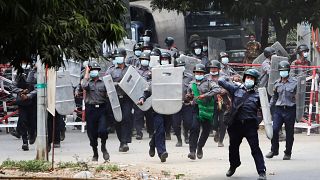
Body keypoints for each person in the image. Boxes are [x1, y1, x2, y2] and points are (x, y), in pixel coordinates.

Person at [218, 68, 267, 180]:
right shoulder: (235, 89)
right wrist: (231, 79)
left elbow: (265, 110)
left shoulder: (258, 95)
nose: (249, 80)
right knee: (233, 147)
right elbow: (221, 81)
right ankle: (233, 165)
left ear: (255, 81)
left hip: (250, 125)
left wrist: (259, 122)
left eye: (252, 78)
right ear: (244, 78)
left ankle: (261, 171)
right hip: (235, 124)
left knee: (255, 148)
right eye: (248, 77)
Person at [186, 64, 221, 160]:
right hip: (196, 108)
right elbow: (188, 95)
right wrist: (188, 97)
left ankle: (200, 146)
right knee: (194, 128)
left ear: (204, 74)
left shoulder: (209, 82)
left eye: (201, 73)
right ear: (194, 73)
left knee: (206, 130)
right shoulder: (191, 84)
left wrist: (205, 95)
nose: (199, 74)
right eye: (197, 72)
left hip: (207, 109)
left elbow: (217, 89)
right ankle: (192, 151)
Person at [265, 61, 297, 161]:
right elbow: (274, 98)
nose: (283, 72)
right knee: (274, 130)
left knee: (289, 132)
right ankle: (274, 150)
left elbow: (299, 97)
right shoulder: (276, 83)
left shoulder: (294, 83)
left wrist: (298, 113)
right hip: (278, 110)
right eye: (281, 71)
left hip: (290, 110)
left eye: (285, 71)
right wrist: (268, 108)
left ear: (288, 71)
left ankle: (287, 152)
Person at [81, 61, 110, 161]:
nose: (94, 72)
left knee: (103, 130)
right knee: (92, 134)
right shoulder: (88, 82)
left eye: (95, 70)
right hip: (91, 110)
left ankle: (103, 146)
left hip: (102, 109)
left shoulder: (104, 82)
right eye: (92, 70)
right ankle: (95, 153)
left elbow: (110, 93)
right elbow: (83, 85)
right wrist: (87, 72)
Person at [107, 48, 134, 152]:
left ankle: (125, 141)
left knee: (127, 117)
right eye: (116, 57)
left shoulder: (131, 69)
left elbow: (135, 81)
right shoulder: (111, 70)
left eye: (120, 56)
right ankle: (121, 141)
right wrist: (115, 84)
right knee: (118, 119)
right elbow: (107, 83)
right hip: (115, 98)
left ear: (124, 57)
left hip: (127, 98)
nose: (118, 58)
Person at [137, 76, 169, 163]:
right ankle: (162, 152)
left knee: (163, 130)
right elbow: (146, 92)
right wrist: (142, 99)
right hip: (157, 109)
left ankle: (152, 143)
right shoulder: (153, 83)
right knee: (160, 130)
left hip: (169, 109)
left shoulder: (172, 82)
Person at [11, 63, 37, 151]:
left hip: (33, 102)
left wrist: (29, 95)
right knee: (23, 121)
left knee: (32, 121)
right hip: (22, 102)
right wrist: (21, 91)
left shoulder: (36, 74)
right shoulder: (19, 75)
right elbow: (13, 86)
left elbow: (39, 88)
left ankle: (32, 134)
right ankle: (24, 142)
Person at [207, 60, 230, 147]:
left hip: (223, 102)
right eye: (211, 68)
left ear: (219, 69)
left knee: (222, 122)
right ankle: (216, 131)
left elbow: (231, 86)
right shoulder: (206, 78)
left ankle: (221, 141)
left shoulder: (224, 77)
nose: (213, 70)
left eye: (215, 68)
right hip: (211, 102)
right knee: (214, 123)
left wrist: (226, 90)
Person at [172, 58, 193, 147]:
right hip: (175, 103)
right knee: (176, 123)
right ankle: (179, 139)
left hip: (186, 103)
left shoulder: (189, 77)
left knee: (188, 122)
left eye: (182, 66)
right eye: (179, 66)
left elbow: (193, 87)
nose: (181, 68)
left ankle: (186, 133)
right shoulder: (171, 77)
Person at [133, 52, 153, 140]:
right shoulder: (135, 71)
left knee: (149, 115)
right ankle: (138, 132)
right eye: (143, 59)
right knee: (138, 115)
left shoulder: (152, 71)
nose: (144, 61)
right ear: (140, 60)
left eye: (146, 60)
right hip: (138, 94)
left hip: (148, 95)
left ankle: (151, 132)